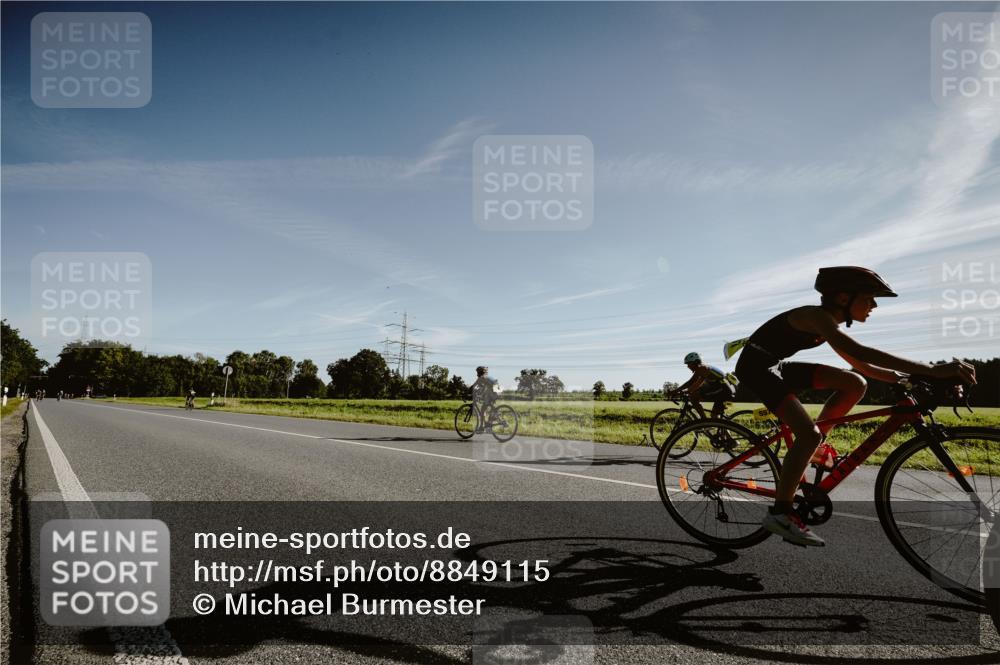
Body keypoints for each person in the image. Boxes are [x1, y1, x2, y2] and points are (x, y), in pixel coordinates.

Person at [735, 266, 976, 547]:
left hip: (776, 365)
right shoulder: (816, 317)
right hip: (756, 368)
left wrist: (906, 378)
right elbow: (861, 352)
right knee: (807, 434)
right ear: (843, 298)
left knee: (855, 382)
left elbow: (862, 365)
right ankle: (781, 514)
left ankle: (816, 449)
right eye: (870, 297)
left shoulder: (828, 324)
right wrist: (932, 369)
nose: (874, 305)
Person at [669, 352, 736, 419]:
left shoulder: (703, 369)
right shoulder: (700, 369)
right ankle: (704, 422)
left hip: (725, 392)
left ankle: (703, 421)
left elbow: (697, 384)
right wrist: (675, 391)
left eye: (689, 363)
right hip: (724, 390)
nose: (688, 366)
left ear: (695, 362)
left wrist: (684, 391)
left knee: (713, 415)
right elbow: (690, 382)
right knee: (694, 397)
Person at [470, 366, 499, 430]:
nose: (477, 374)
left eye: (477, 372)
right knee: (490, 405)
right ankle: (490, 422)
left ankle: (482, 426)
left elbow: (473, 386)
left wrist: (466, 392)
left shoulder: (481, 377)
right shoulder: (486, 377)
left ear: (480, 372)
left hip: (493, 388)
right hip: (496, 387)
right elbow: (483, 388)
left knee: (483, 409)